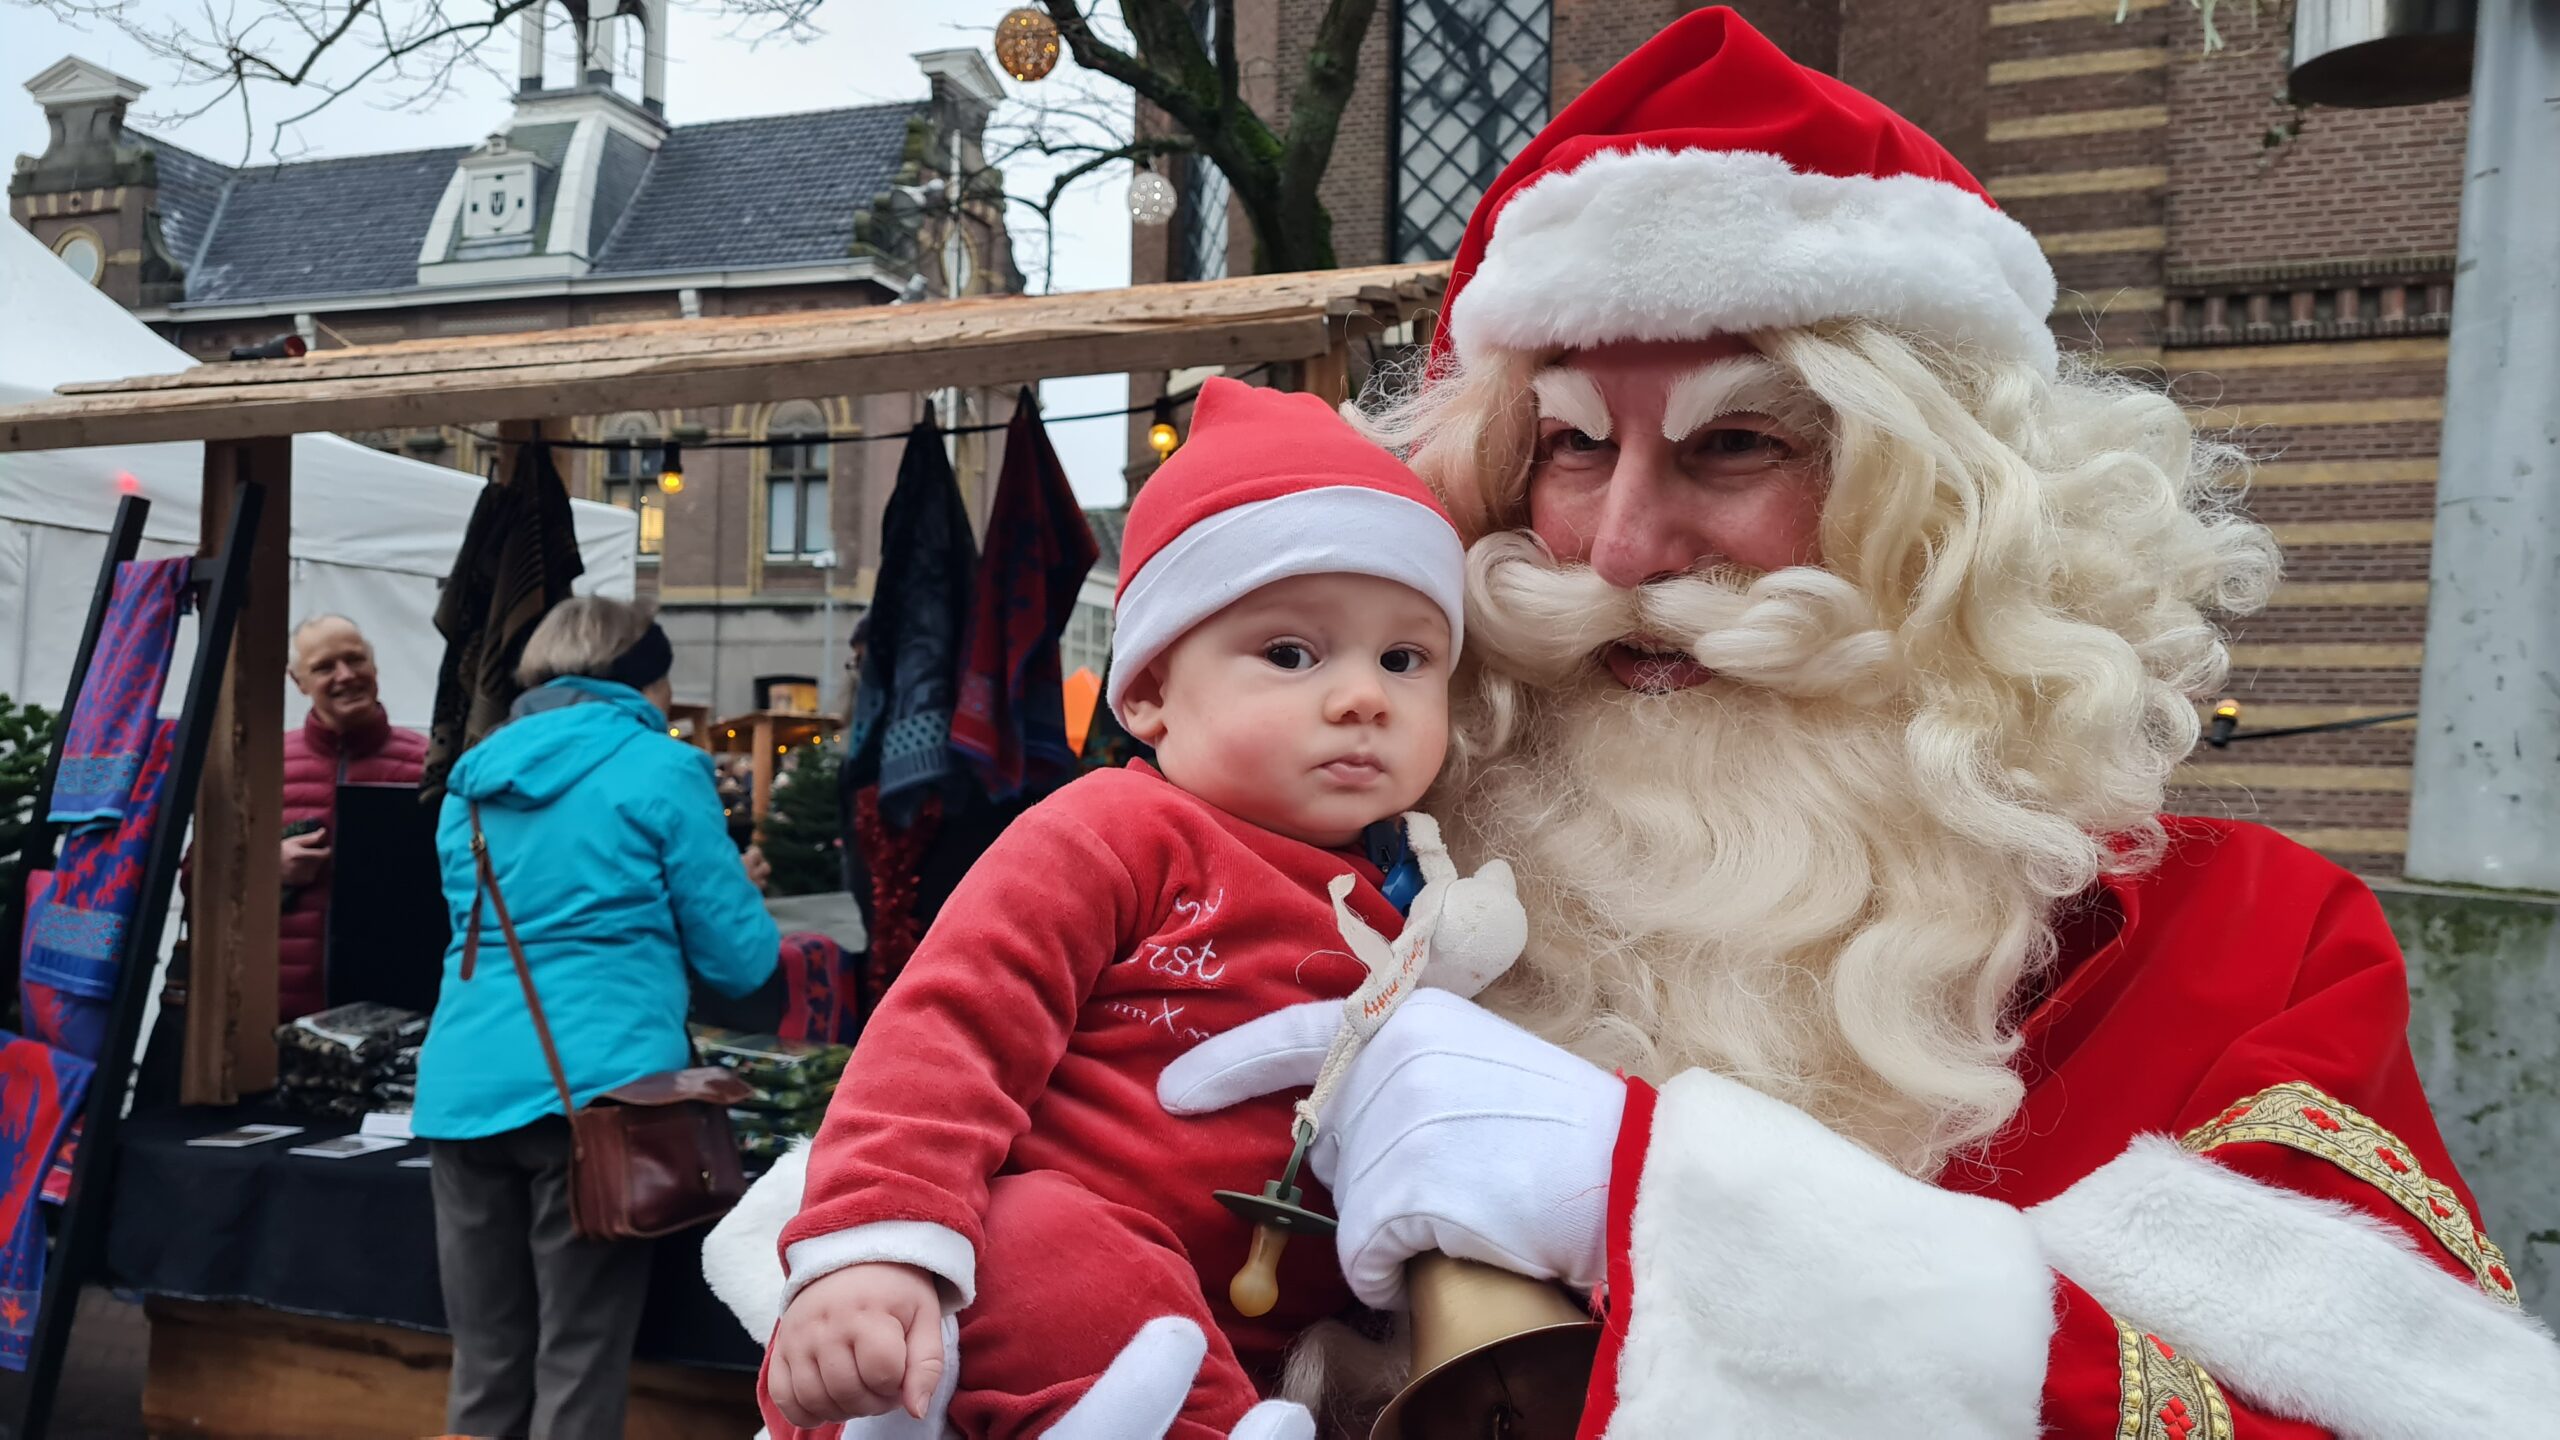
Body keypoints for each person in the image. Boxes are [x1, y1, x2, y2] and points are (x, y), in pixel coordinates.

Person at [717, 9, 2560, 1437]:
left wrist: (1667, 1206)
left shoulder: (2239, 944)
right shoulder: (1339, 873)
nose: (1618, 547)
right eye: (1568, 445)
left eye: (1742, 445)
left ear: (1954, 519)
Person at [750, 379, 1524, 1440]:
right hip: (1049, 1295)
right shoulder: (1115, 829)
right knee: (1033, 1234)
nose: (1363, 697)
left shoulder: (1422, 894)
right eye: (1291, 655)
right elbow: (950, 1026)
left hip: (1268, 1341)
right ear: (1151, 692)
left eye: (1405, 658)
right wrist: (875, 1245)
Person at [414, 596, 780, 1440]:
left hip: (463, 1086)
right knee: (579, 1361)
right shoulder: (661, 768)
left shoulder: (472, 777)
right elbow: (740, 960)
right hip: (601, 1097)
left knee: (485, 1357)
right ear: (643, 678)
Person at [276, 614, 426, 1021]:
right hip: (279, 1014)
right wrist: (266, 869)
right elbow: (196, 874)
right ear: (298, 681)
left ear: (374, 667)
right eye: (324, 667)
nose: (345, 676)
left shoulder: (429, 767)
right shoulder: (265, 765)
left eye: (355, 660)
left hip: (394, 1012)